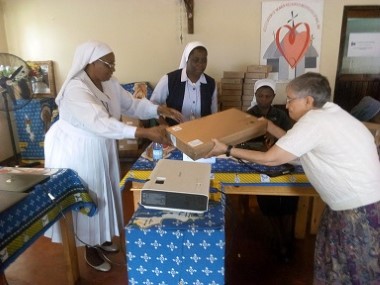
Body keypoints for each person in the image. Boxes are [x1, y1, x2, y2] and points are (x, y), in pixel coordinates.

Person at [206, 72, 380, 284]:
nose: (286, 105)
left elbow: (271, 159)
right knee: (335, 266)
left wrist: (227, 149)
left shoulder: (314, 121)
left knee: (353, 272)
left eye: (290, 100)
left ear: (308, 100)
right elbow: (295, 145)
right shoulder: (330, 113)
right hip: (355, 206)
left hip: (357, 211)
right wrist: (269, 126)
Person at [43, 40, 183, 272]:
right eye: (108, 64)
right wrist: (144, 131)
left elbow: (131, 105)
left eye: (113, 64)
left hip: (101, 144)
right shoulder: (76, 90)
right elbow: (98, 122)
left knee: (104, 191)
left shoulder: (110, 83)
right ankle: (89, 246)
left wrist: (158, 109)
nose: (113, 69)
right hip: (77, 150)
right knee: (87, 194)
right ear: (91, 63)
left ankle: (101, 237)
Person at [245, 78, 297, 262]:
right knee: (267, 197)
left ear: (274, 97)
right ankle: (280, 238)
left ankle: (287, 238)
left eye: (268, 96)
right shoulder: (248, 115)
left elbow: (291, 137)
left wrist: (276, 140)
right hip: (260, 161)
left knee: (291, 197)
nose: (264, 99)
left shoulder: (281, 115)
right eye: (261, 95)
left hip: (281, 160)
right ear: (256, 96)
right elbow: (243, 141)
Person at [150, 41, 218, 126]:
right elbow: (152, 106)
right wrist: (166, 127)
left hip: (202, 132)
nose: (200, 64)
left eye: (204, 60)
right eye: (195, 60)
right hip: (175, 133)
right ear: (187, 59)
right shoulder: (169, 80)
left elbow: (214, 114)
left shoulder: (211, 84)